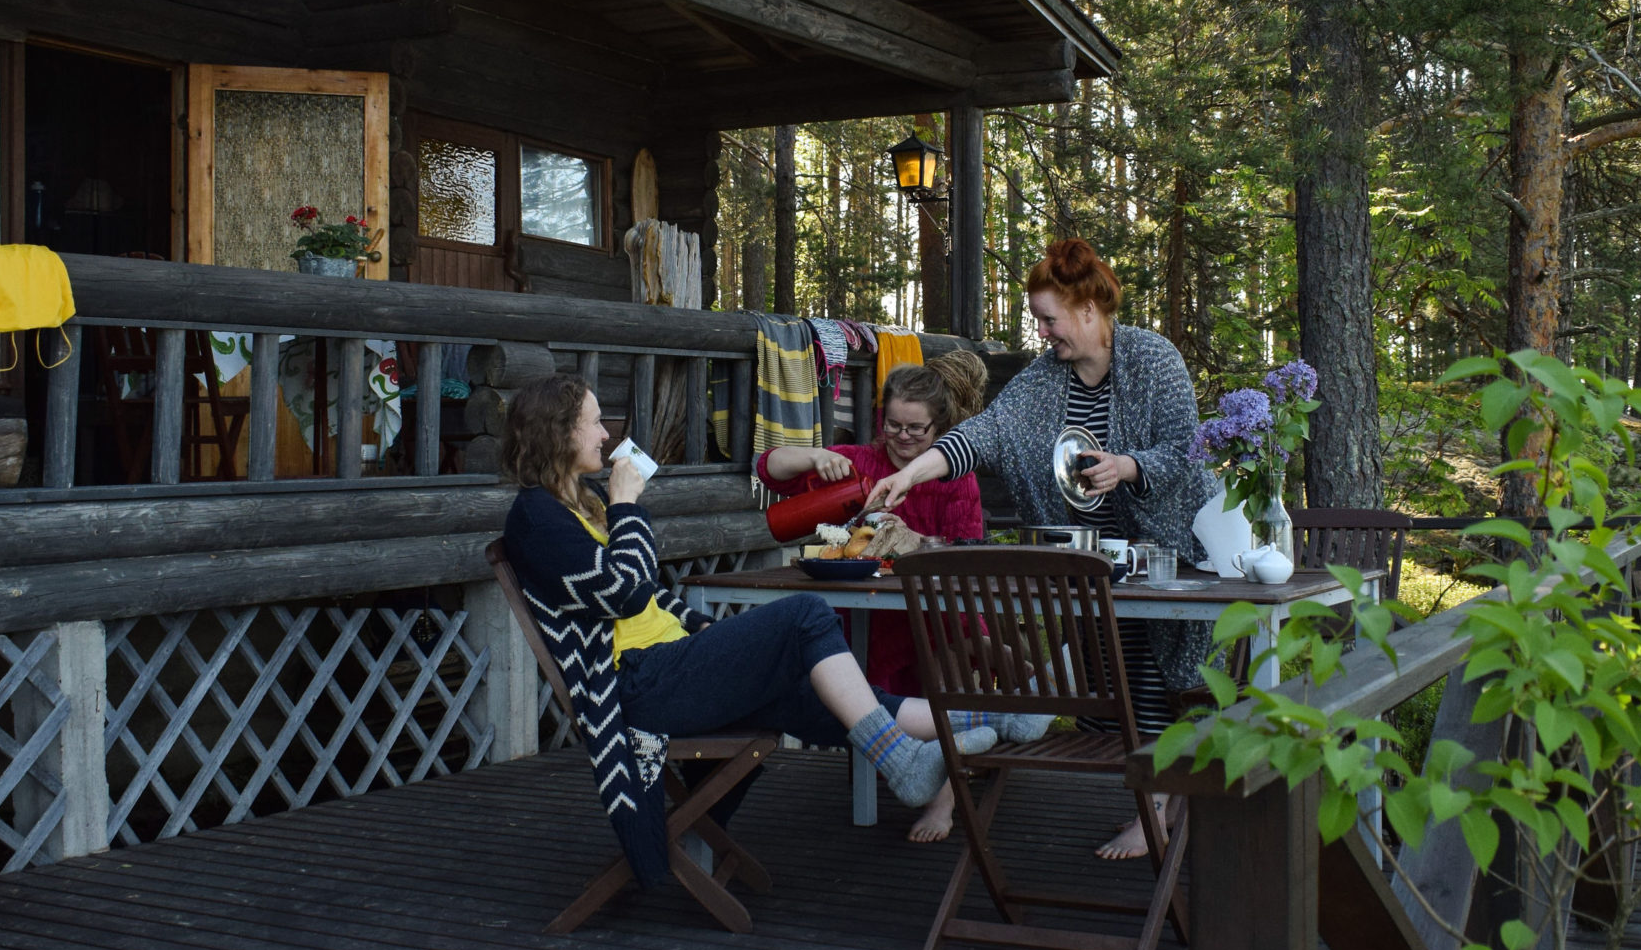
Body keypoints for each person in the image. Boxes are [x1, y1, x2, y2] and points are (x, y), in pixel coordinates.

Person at [499, 374, 1046, 884]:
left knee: (814, 692)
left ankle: (997, 714)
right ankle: (900, 757)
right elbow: (627, 590)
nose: (606, 433)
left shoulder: (580, 505)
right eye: (594, 422)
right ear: (559, 434)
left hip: (670, 663)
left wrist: (616, 509)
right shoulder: (537, 517)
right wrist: (625, 506)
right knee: (805, 614)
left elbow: (631, 587)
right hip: (637, 684)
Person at [863, 238, 1215, 860]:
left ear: (1088, 309)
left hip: (1166, 549)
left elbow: (1186, 450)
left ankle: (1159, 805)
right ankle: (1151, 794)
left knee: (1156, 675)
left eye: (1050, 319)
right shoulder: (1043, 379)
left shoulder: (1154, 359)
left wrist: (1128, 467)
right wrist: (909, 475)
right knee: (1114, 672)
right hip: (1089, 559)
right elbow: (984, 434)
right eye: (1038, 320)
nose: (1044, 332)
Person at [762, 352, 1039, 842]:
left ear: (941, 427)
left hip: (937, 609)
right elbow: (769, 469)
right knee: (865, 673)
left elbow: (967, 551)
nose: (905, 438)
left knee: (952, 659)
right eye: (894, 426)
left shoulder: (955, 476)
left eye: (918, 429)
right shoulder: (859, 463)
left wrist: (911, 537)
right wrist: (812, 457)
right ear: (880, 420)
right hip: (872, 612)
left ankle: (945, 801)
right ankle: (987, 710)